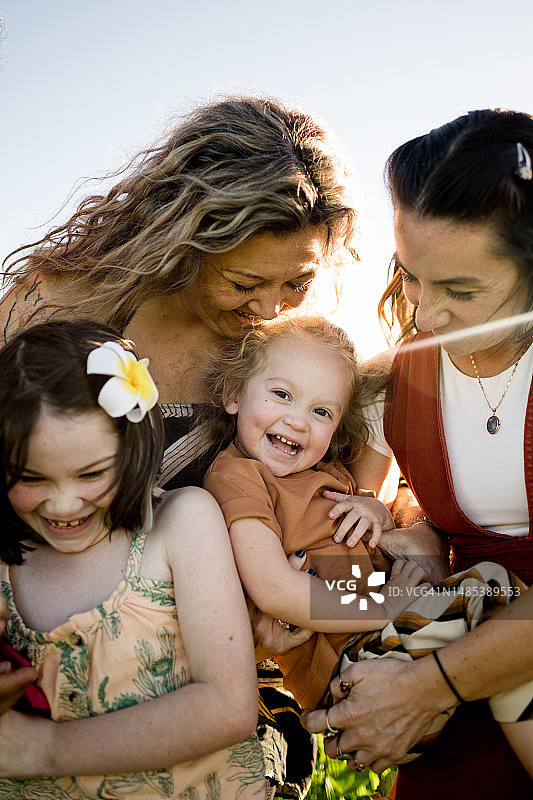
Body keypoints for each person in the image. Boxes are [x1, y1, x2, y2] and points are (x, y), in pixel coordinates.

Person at [0, 94, 358, 796]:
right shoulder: (50, 307)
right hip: (36, 686)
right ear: (184, 236)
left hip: (198, 720)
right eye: (244, 281)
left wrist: (368, 565)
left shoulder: (277, 371)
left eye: (298, 281)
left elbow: (334, 540)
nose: (269, 307)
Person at [302, 109, 533, 797]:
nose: (425, 316)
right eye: (409, 276)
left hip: (453, 675)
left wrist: (425, 685)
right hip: (450, 682)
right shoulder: (390, 384)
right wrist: (322, 595)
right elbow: (348, 551)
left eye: (460, 290)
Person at [200, 314, 533, 777]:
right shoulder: (239, 476)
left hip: (392, 646)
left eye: (321, 412)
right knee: (496, 591)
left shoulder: (324, 477)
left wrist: (374, 508)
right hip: (351, 672)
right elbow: (275, 590)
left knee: (513, 635)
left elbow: (371, 514)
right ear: (234, 393)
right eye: (281, 394)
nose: (297, 421)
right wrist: (386, 602)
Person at [0, 319, 264, 798]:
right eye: (32, 478)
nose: (62, 505)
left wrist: (46, 747)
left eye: (91, 474)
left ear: (132, 450)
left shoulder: (180, 525)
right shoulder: (6, 560)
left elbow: (230, 707)